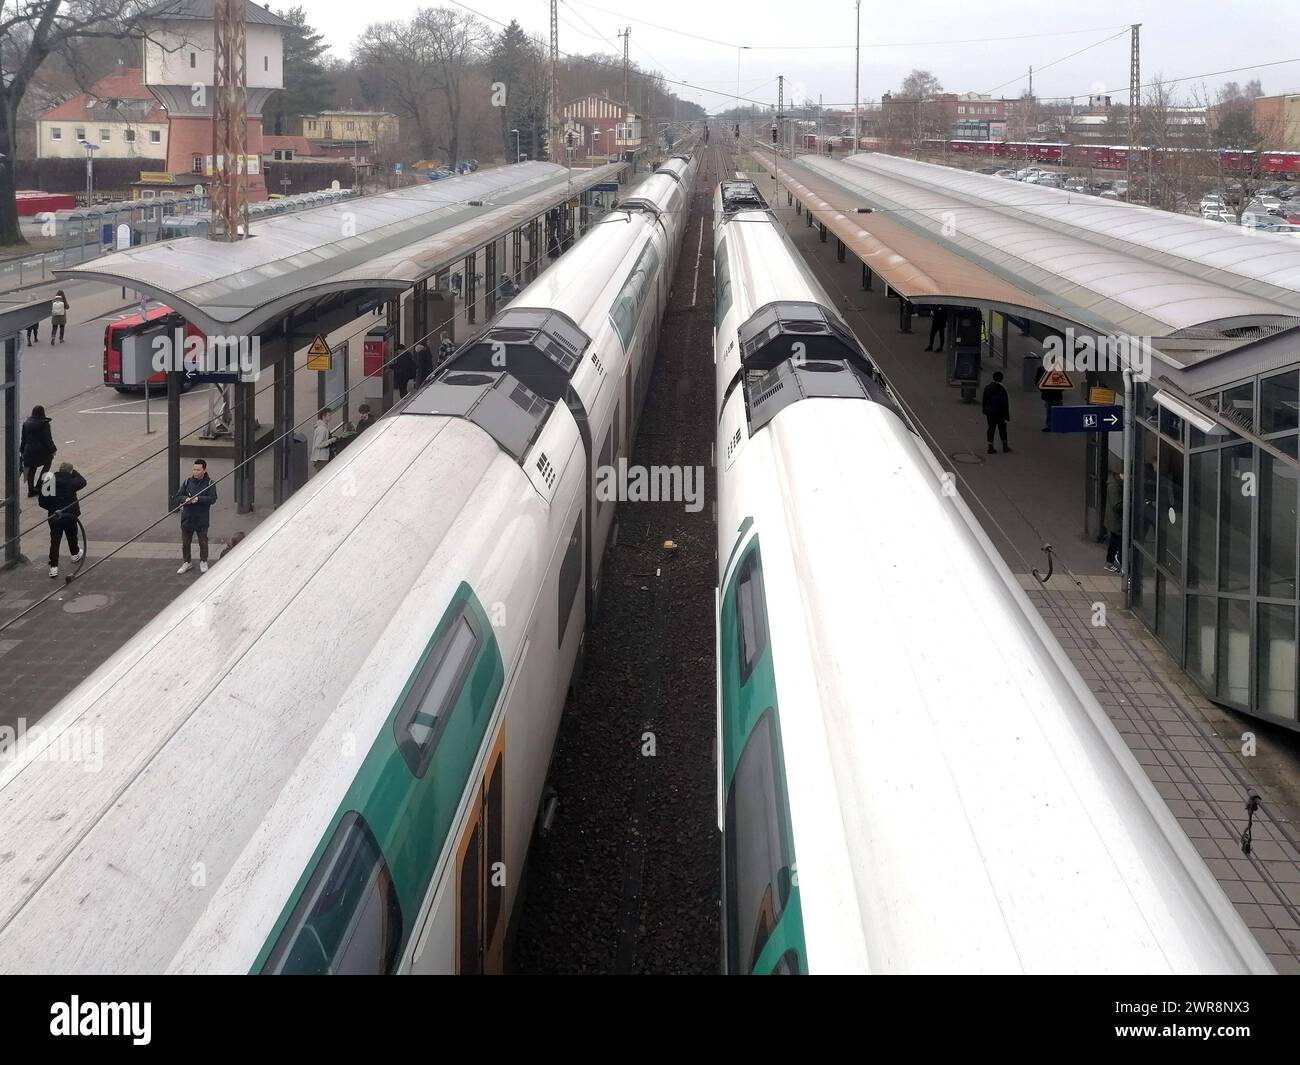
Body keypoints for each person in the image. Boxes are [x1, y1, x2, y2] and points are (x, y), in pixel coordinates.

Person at [38, 462, 85, 578]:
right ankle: (75, 553)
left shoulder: (49, 481)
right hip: (70, 515)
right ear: (69, 471)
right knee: (72, 535)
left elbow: (41, 501)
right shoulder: (71, 482)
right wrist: (74, 472)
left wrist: (52, 508)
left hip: (55, 515)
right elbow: (83, 481)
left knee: (55, 540)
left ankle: (53, 567)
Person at [174, 459, 217, 574]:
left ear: (204, 470)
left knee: (203, 542)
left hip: (201, 519)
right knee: (185, 543)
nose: (195, 472)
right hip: (187, 519)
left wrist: (199, 499)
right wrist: (185, 499)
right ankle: (187, 562)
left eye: (198, 470)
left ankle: (203, 561)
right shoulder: (187, 481)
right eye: (194, 469)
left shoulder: (210, 483)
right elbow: (178, 496)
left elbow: (213, 499)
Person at [19, 405, 56, 497]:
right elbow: (47, 439)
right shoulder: (44, 423)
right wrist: (53, 449)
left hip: (29, 450)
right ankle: (39, 484)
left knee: (32, 469)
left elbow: (23, 438)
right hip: (41, 450)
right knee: (47, 463)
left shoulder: (26, 423)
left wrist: (22, 450)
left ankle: (31, 490)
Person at [981, 371, 1011, 454]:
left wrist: (984, 409)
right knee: (1002, 429)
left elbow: (984, 399)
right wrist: (1007, 416)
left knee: (991, 428)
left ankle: (990, 447)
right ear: (1002, 379)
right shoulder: (1002, 389)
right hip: (1000, 413)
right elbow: (1005, 403)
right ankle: (1005, 446)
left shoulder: (988, 387)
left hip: (990, 412)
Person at [1105, 470, 1124, 573]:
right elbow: (1117, 505)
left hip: (1114, 520)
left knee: (1114, 541)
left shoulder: (1116, 484)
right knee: (1117, 542)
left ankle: (1110, 562)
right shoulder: (1114, 487)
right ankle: (1113, 562)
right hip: (1115, 521)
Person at [310, 407, 336, 472]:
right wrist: (331, 440)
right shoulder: (322, 429)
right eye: (329, 415)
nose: (331, 417)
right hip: (321, 458)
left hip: (321, 457)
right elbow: (318, 444)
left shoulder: (323, 427)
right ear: (323, 416)